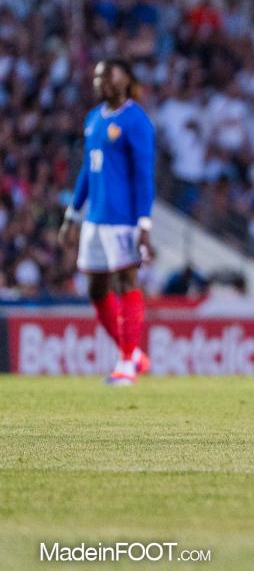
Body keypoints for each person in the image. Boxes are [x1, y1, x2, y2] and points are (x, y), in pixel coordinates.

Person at [58, 59, 156, 385]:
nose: (101, 80)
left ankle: (126, 363)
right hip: (94, 219)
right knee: (96, 289)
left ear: (126, 78)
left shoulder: (135, 120)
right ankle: (132, 354)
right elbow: (88, 170)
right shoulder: (93, 119)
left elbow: (144, 175)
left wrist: (144, 223)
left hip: (123, 220)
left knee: (126, 283)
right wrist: (73, 214)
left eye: (108, 74)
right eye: (97, 75)